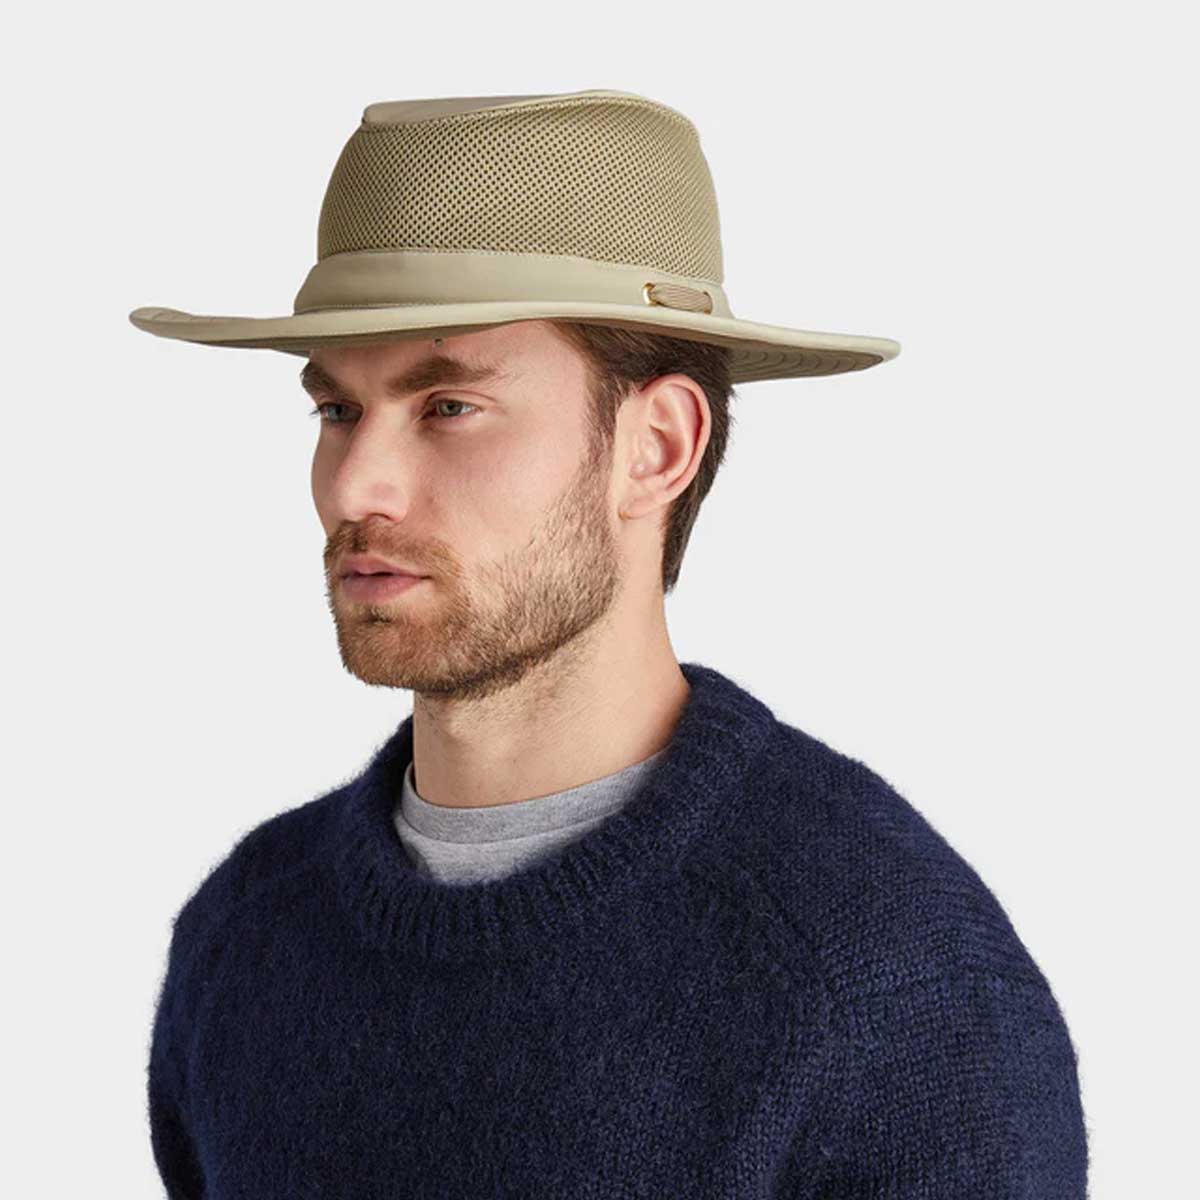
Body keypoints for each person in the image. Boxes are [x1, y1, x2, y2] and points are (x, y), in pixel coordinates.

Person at [130, 89, 1089, 1197]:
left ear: (657, 446)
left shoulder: (884, 973)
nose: (356, 487)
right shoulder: (247, 933)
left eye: (447, 407)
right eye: (338, 411)